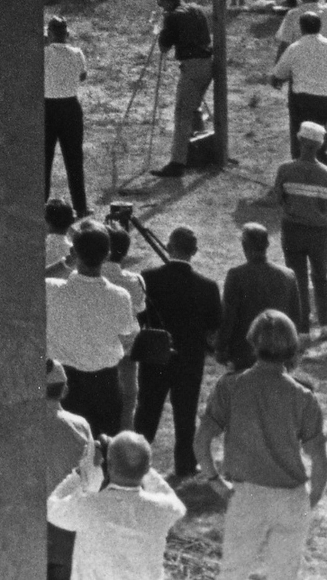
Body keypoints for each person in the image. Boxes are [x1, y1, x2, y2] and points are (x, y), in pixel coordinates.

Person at [196, 308, 327, 580]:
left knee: (233, 573)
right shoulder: (304, 397)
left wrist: (214, 480)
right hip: (291, 496)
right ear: (292, 347)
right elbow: (319, 458)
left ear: (253, 342)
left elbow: (202, 440)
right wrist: (311, 498)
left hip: (248, 495)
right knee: (284, 576)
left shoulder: (230, 387)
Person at [136, 226, 222, 479]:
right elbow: (214, 324)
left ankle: (135, 461)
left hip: (154, 356)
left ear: (168, 246)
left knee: (147, 411)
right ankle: (185, 465)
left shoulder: (148, 278)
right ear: (194, 251)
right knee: (185, 414)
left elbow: (141, 314)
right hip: (189, 359)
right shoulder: (208, 286)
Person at [43, 428, 183, 580]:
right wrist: (145, 468)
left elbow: (52, 507)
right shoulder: (162, 509)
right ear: (147, 468)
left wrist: (80, 473)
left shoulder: (87, 506)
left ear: (109, 466)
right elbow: (176, 504)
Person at [47, 221, 137, 436]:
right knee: (104, 451)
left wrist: (66, 262)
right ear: (106, 256)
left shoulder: (53, 289)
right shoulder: (120, 296)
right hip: (105, 385)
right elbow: (126, 337)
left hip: (66, 383)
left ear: (75, 252)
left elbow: (29, 281)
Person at [222, 225, 303, 372]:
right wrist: (293, 352)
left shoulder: (236, 275)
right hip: (279, 354)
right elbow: (295, 318)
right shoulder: (288, 275)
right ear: (267, 245)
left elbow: (228, 317)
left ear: (244, 245)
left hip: (245, 354)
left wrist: (220, 348)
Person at [153, 0, 215, 177]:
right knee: (194, 108)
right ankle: (200, 151)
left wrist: (160, 28)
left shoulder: (172, 16)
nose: (159, 4)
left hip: (192, 67)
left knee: (182, 114)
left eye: (160, 0)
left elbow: (164, 47)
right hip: (208, 64)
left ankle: (178, 162)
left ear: (168, 0)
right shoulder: (196, 9)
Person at [276, 121, 327, 332]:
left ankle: (302, 325)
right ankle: (324, 322)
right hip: (319, 233)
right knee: (321, 276)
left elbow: (280, 199)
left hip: (292, 231)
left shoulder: (285, 169)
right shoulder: (325, 173)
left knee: (297, 278)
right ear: (320, 146)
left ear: (300, 140)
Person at [44, 16, 89, 214]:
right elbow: (83, 75)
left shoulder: (43, 54)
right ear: (67, 34)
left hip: (48, 107)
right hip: (71, 106)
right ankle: (80, 207)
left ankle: (41, 204)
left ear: (49, 34)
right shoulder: (77, 53)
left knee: (44, 159)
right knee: (74, 159)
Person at [270, 10, 327, 150]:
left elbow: (279, 73)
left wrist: (276, 80)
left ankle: (299, 158)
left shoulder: (294, 48)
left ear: (301, 27)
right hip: (325, 98)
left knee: (299, 132)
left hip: (302, 100)